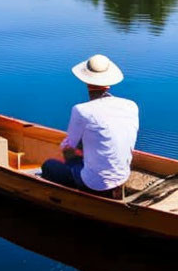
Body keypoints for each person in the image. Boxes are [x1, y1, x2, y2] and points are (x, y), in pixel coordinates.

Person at [40, 54, 139, 196]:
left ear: (86, 82)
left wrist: (75, 150)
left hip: (94, 184)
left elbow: (69, 146)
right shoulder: (131, 106)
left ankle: (74, 192)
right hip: (122, 175)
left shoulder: (81, 110)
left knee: (49, 166)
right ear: (109, 84)